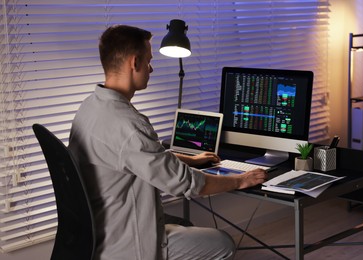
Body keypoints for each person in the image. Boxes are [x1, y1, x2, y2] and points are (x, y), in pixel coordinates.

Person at [68, 24, 268, 260]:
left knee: (184, 223)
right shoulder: (129, 125)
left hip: (100, 229)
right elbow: (186, 184)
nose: (151, 68)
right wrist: (240, 180)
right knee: (223, 243)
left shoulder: (90, 107)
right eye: (149, 61)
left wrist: (190, 159)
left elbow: (141, 156)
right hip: (127, 243)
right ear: (135, 63)